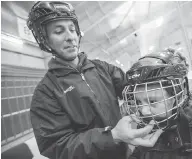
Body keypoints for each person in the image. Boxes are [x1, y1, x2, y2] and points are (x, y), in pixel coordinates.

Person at [27, 1, 163, 159]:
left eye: (72, 30)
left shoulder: (102, 68)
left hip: (123, 154)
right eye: (59, 31)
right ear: (45, 40)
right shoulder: (46, 93)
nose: (70, 37)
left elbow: (133, 88)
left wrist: (160, 75)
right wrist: (112, 136)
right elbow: (57, 145)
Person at [121, 49, 192, 159]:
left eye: (152, 101)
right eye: (138, 102)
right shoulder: (145, 141)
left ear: (179, 95)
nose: (143, 111)